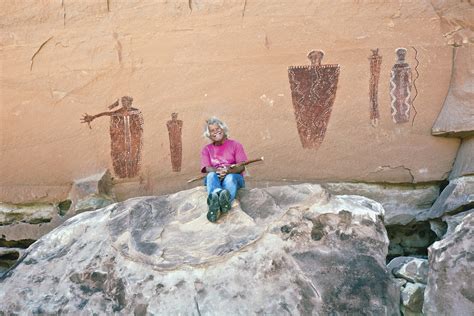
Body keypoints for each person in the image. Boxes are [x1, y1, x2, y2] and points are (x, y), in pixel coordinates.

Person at [201, 117, 248, 222]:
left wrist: (227, 171)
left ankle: (220, 203)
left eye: (218, 128)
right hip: (217, 176)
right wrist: (218, 171)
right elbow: (207, 168)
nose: (216, 132)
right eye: (212, 130)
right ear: (208, 134)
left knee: (230, 178)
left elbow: (241, 166)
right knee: (210, 176)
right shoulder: (206, 149)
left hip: (234, 176)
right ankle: (218, 196)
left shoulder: (235, 145)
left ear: (223, 129)